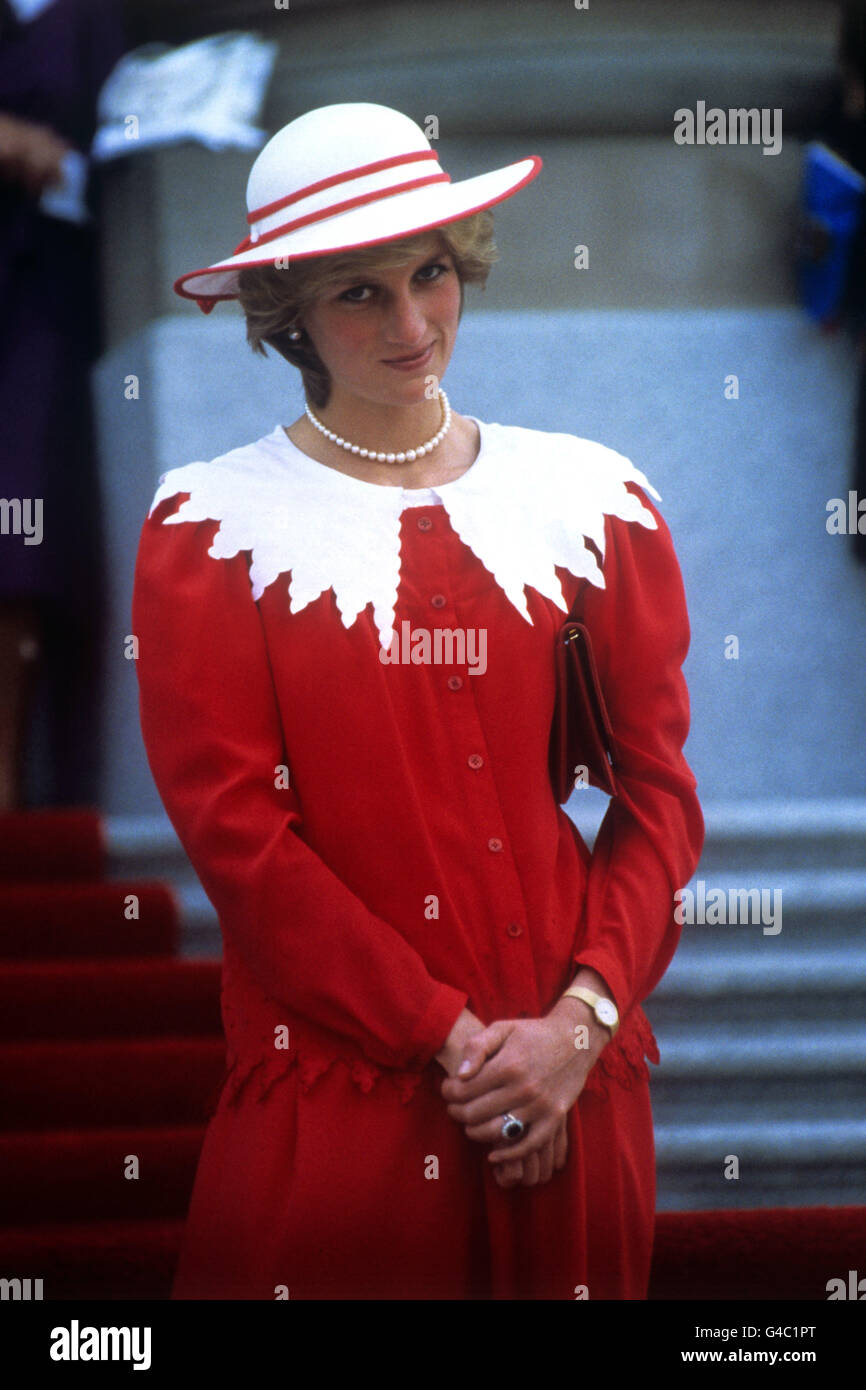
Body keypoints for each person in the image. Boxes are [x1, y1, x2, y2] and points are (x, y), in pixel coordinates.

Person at [132, 102, 704, 1301]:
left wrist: (573, 1030)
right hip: (348, 1093)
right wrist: (455, 1043)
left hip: (576, 1080)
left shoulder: (592, 502)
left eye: (430, 274)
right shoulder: (212, 530)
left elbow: (655, 799)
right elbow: (240, 843)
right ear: (285, 311)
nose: (411, 323)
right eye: (359, 294)